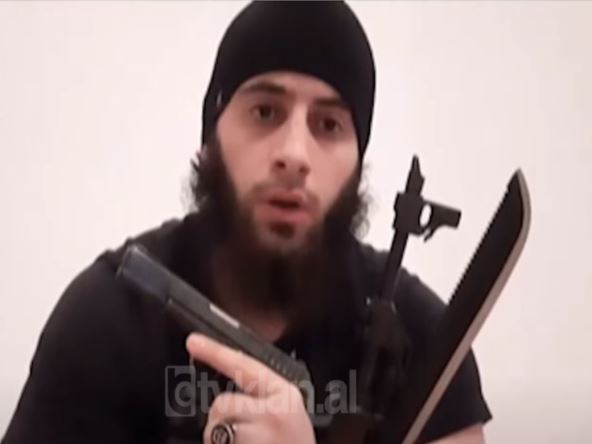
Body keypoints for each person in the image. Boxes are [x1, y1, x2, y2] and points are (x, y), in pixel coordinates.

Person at [2, 2, 492, 443]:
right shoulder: (109, 317)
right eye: (265, 112)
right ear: (210, 139)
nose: (294, 154)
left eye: (328, 125)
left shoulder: (422, 338)